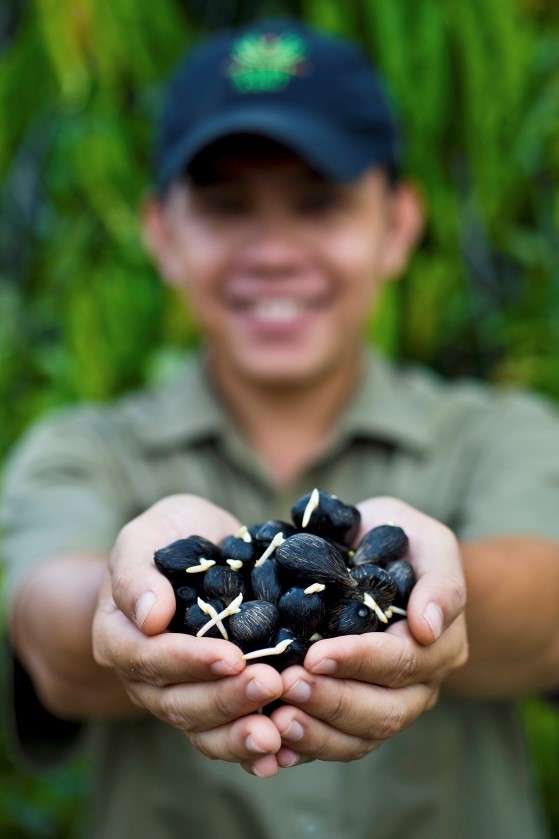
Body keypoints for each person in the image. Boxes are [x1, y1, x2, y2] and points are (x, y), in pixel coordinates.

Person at [3, 16, 559, 839]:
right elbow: (51, 639)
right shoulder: (79, 447)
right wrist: (132, 605)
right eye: (227, 206)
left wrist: (432, 593)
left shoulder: (500, 432)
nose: (272, 249)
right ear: (160, 232)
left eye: (318, 202)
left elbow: (544, 608)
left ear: (397, 225)